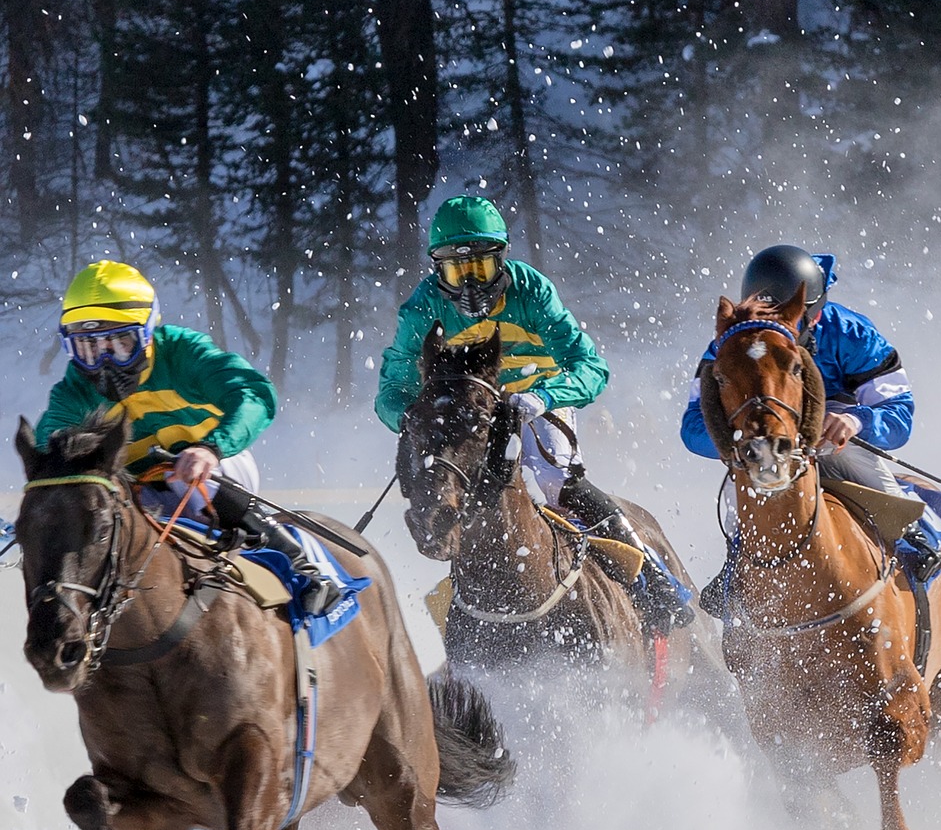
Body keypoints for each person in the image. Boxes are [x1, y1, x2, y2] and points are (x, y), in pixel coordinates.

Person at [377, 195, 691, 630]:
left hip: (536, 400)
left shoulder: (532, 289)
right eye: (456, 271)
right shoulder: (423, 304)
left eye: (480, 269)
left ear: (501, 260)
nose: (470, 286)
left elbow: (591, 368)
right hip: (469, 416)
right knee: (446, 483)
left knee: (555, 478)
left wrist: (544, 395)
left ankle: (654, 583)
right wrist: (410, 418)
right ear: (437, 270)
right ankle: (452, 609)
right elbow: (392, 387)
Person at [35, 260, 343, 614]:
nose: (104, 363)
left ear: (148, 332)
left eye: (120, 344)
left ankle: (302, 569)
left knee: (183, 484)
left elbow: (254, 394)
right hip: (131, 489)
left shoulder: (182, 352)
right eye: (88, 349)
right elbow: (52, 445)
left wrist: (212, 448)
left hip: (213, 468)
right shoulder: (74, 389)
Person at [680, 244, 941, 584]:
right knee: (740, 483)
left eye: (787, 316)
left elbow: (900, 414)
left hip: (836, 439)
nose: (773, 326)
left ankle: (912, 540)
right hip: (763, 441)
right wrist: (733, 442)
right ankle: (738, 567)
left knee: (855, 454)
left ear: (814, 312)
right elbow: (693, 425)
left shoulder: (852, 335)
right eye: (764, 314)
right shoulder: (731, 345)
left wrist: (856, 421)